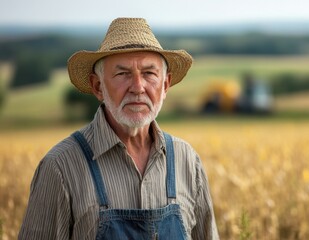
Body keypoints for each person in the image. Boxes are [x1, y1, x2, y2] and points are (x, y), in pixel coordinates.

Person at [19, 17, 219, 240]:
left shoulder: (187, 161)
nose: (137, 87)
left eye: (149, 73)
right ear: (98, 86)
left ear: (165, 85)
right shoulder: (61, 167)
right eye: (122, 74)